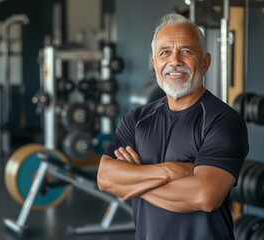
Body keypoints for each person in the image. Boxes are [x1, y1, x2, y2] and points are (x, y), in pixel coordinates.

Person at [97, 13, 249, 240]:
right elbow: (105, 178)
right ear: (154, 63)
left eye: (187, 51)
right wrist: (168, 171)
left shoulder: (223, 121)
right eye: (165, 52)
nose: (175, 61)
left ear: (205, 62)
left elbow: (205, 197)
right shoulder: (138, 118)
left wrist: (133, 181)